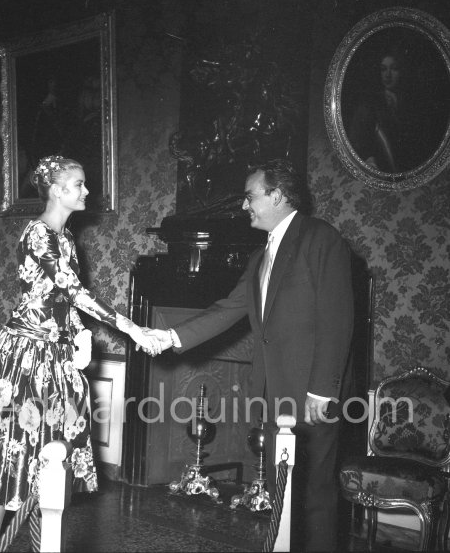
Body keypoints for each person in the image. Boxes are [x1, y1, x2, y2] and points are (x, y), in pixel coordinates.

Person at [0, 155, 161, 552]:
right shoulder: (38, 233)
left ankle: (45, 540)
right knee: (10, 446)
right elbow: (72, 289)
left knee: (50, 449)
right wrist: (130, 327)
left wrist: (80, 335)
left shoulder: (66, 238)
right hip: (24, 356)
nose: (87, 191)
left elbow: (63, 302)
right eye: (79, 184)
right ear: (58, 190)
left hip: (56, 357)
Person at [147, 159, 354, 552]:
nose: (244, 206)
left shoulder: (320, 239)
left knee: (314, 494)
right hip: (273, 392)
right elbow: (228, 309)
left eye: (250, 196)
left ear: (276, 196)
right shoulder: (260, 257)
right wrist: (170, 335)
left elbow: (337, 317)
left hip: (312, 394)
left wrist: (322, 392)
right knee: (283, 493)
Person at [347, 45, 435, 174]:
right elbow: (357, 142)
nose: (387, 75)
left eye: (394, 69)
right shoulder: (369, 104)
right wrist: (367, 159)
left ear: (404, 71)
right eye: (383, 69)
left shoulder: (416, 104)